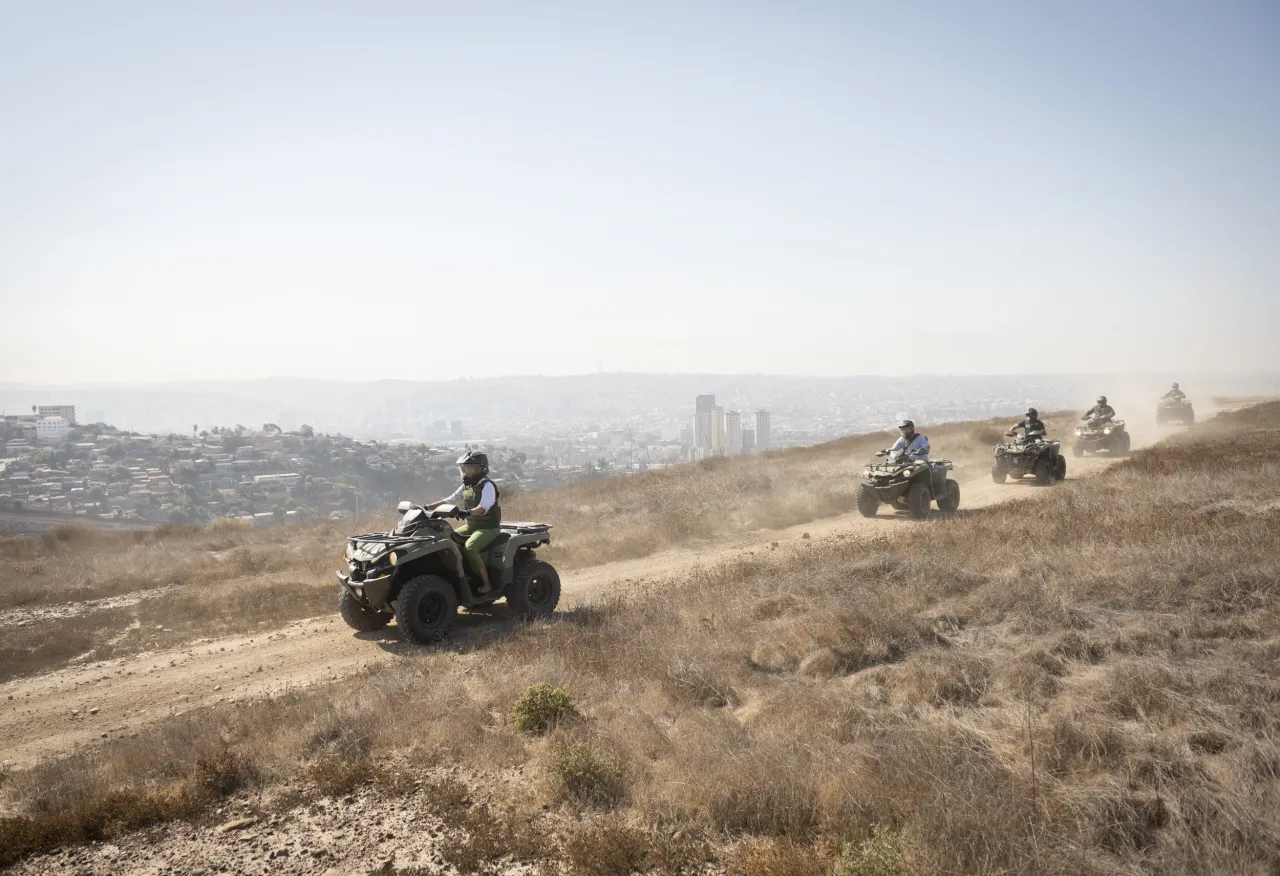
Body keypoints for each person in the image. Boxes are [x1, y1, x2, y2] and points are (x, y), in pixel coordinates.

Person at [426, 451, 502, 594]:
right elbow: (450, 500)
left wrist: (466, 512)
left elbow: (483, 508)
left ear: (482, 468)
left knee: (470, 548)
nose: (467, 471)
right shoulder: (467, 485)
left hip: (488, 528)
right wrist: (426, 508)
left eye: (472, 468)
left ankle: (487, 584)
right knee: (447, 537)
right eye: (465, 468)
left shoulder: (487, 486)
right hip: (471, 526)